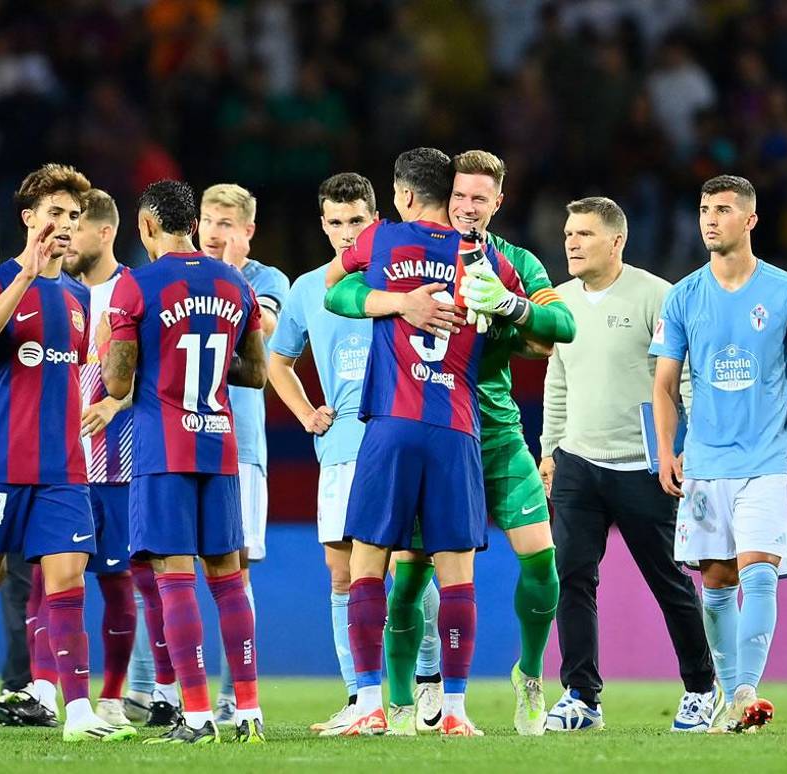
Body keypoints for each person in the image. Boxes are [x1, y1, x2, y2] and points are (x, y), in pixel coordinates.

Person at [325, 150, 576, 735]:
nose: (467, 207)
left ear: (496, 204)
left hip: (493, 431)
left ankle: (531, 677)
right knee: (410, 576)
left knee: (542, 562)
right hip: (446, 423)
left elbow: (562, 327)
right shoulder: (435, 253)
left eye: (479, 199)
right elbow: (334, 291)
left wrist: (512, 311)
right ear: (447, 195)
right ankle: (405, 701)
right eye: (459, 196)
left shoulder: (511, 262)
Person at [0, 163, 136, 743]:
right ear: (29, 218)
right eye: (55, 213)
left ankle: (78, 715)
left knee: (67, 586)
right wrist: (25, 274)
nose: (66, 225)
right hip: (0, 464)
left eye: (74, 215)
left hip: (64, 470)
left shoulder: (77, 297)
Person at [650, 175, 787, 733]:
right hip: (705, 464)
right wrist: (665, 451)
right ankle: (729, 698)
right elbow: (663, 384)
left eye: (722, 209)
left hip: (769, 462)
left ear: (750, 220)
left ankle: (748, 691)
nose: (709, 218)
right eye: (704, 209)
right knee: (718, 582)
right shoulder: (683, 295)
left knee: (759, 574)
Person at [540, 196, 719, 732]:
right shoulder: (560, 301)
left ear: (617, 241)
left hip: (644, 466)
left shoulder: (655, 297)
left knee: (668, 581)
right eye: (569, 233)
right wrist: (550, 449)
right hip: (577, 465)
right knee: (571, 578)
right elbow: (558, 379)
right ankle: (581, 697)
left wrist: (683, 448)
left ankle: (702, 689)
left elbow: (683, 378)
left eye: (585, 234)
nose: (571, 242)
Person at [102, 179, 268, 744]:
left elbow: (119, 381)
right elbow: (256, 374)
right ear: (193, 225)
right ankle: (248, 710)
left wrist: (126, 346)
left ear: (147, 226)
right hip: (219, 445)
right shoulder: (235, 283)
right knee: (228, 579)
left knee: (174, 579)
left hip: (164, 449)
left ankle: (195, 715)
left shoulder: (135, 286)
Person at [268, 172, 379, 735]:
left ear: (375, 220)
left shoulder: (398, 276)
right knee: (342, 576)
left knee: (411, 571)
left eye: (355, 221)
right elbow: (276, 360)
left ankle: (429, 692)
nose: (344, 233)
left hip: (393, 443)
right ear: (322, 224)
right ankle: (362, 697)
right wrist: (308, 412)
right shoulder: (308, 289)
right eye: (334, 222)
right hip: (338, 448)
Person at [196, 183, 289, 724]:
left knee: (235, 573)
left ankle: (236, 698)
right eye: (209, 219)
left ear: (248, 232)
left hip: (241, 447)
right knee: (170, 567)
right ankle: (171, 694)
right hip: (180, 442)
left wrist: (226, 278)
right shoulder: (182, 273)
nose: (215, 230)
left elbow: (264, 330)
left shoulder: (265, 280)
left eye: (227, 222)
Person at [55, 188, 140, 725]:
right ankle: (48, 692)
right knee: (53, 581)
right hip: (60, 465)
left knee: (117, 582)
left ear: (105, 232)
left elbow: (153, 373)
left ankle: (114, 695)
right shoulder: (50, 289)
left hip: (116, 466)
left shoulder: (132, 289)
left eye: (75, 225)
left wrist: (114, 400)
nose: (66, 235)